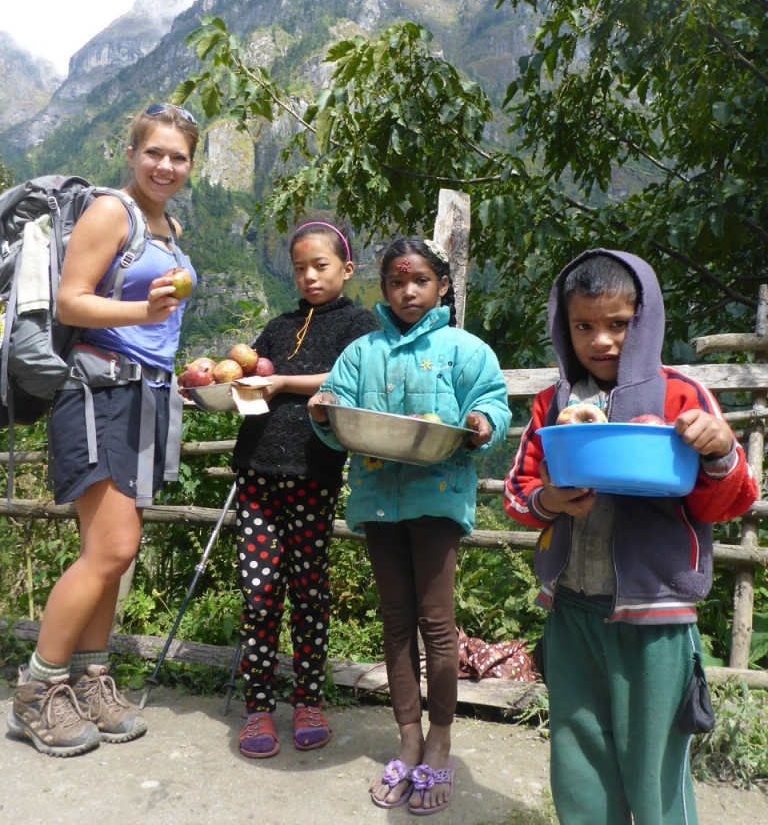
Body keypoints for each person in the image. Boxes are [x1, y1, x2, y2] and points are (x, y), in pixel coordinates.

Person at [504, 248, 757, 825]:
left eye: (618, 324)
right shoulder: (556, 403)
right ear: (564, 328)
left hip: (657, 618)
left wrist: (718, 450)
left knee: (655, 765)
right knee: (578, 755)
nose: (601, 341)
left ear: (644, 321)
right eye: (584, 326)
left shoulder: (682, 399)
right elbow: (517, 491)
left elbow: (731, 498)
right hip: (571, 608)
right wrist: (549, 501)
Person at [7, 102, 199, 757]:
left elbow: (155, 326)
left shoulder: (167, 226)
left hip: (142, 398)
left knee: (110, 554)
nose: (166, 165)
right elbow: (71, 300)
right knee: (113, 549)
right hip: (95, 394)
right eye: (155, 152)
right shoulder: (112, 211)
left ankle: (89, 677)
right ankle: (36, 690)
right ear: (132, 152)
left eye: (178, 156)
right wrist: (141, 306)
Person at [308, 237, 512, 815]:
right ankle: (408, 736)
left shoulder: (463, 350)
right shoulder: (361, 353)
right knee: (396, 621)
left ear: (442, 285)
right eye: (397, 282)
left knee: (436, 623)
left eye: (420, 280)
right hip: (377, 499)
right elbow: (340, 414)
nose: (408, 292)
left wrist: (479, 421)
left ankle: (441, 738)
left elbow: (493, 403)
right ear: (384, 287)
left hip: (438, 495)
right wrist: (324, 412)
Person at [232, 221, 377, 760]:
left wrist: (281, 383)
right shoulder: (277, 325)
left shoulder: (358, 325)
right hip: (256, 469)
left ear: (346, 268)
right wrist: (218, 386)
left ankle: (310, 699)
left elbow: (348, 376)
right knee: (259, 590)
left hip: (313, 471)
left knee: (308, 589)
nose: (310, 276)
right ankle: (259, 706)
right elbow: (249, 380)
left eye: (321, 266)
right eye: (300, 268)